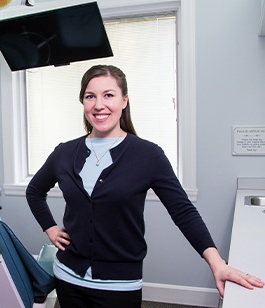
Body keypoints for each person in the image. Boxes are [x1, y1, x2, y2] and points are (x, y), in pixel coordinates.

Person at [26, 64, 264, 307]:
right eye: (90, 96)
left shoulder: (148, 156)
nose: (99, 105)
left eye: (109, 95)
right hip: (68, 278)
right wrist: (52, 230)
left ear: (124, 101)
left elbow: (183, 211)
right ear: (83, 102)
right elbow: (34, 191)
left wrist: (216, 262)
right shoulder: (64, 152)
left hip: (119, 286)